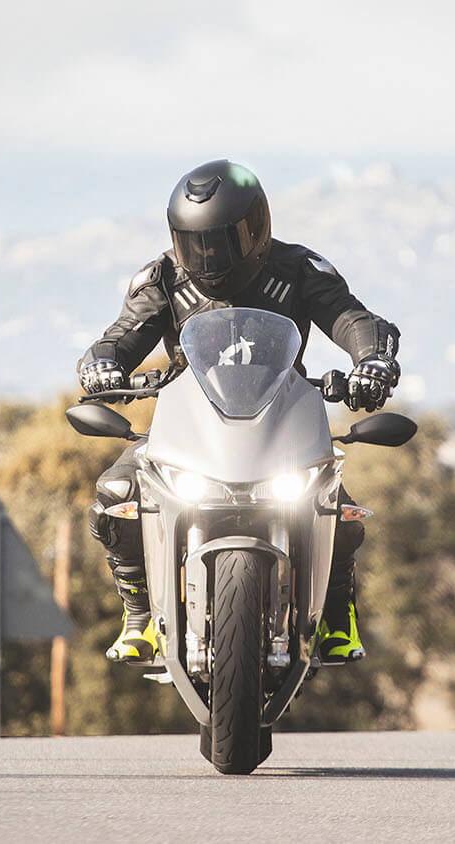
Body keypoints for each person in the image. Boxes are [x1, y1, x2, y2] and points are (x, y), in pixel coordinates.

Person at [78, 159, 401, 667]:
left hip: (282, 420)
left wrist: (372, 360)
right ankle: (139, 612)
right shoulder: (163, 277)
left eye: (220, 241)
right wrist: (102, 364)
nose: (207, 255)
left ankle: (338, 614)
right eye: (194, 242)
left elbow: (351, 318)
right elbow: (123, 335)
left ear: (256, 229)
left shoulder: (298, 269)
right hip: (189, 424)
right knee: (114, 496)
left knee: (336, 505)